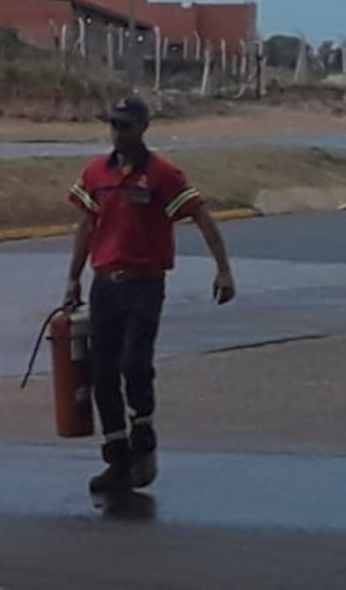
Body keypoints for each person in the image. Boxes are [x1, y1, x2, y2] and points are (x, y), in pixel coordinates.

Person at [64, 95, 236, 494]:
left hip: (145, 285)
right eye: (113, 124)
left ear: (143, 128)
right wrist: (72, 279)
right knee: (102, 373)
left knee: (135, 366)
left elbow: (201, 217)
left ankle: (144, 444)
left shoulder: (163, 175)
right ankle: (117, 458)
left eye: (125, 125)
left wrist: (223, 270)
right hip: (105, 284)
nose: (117, 132)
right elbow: (86, 227)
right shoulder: (96, 173)